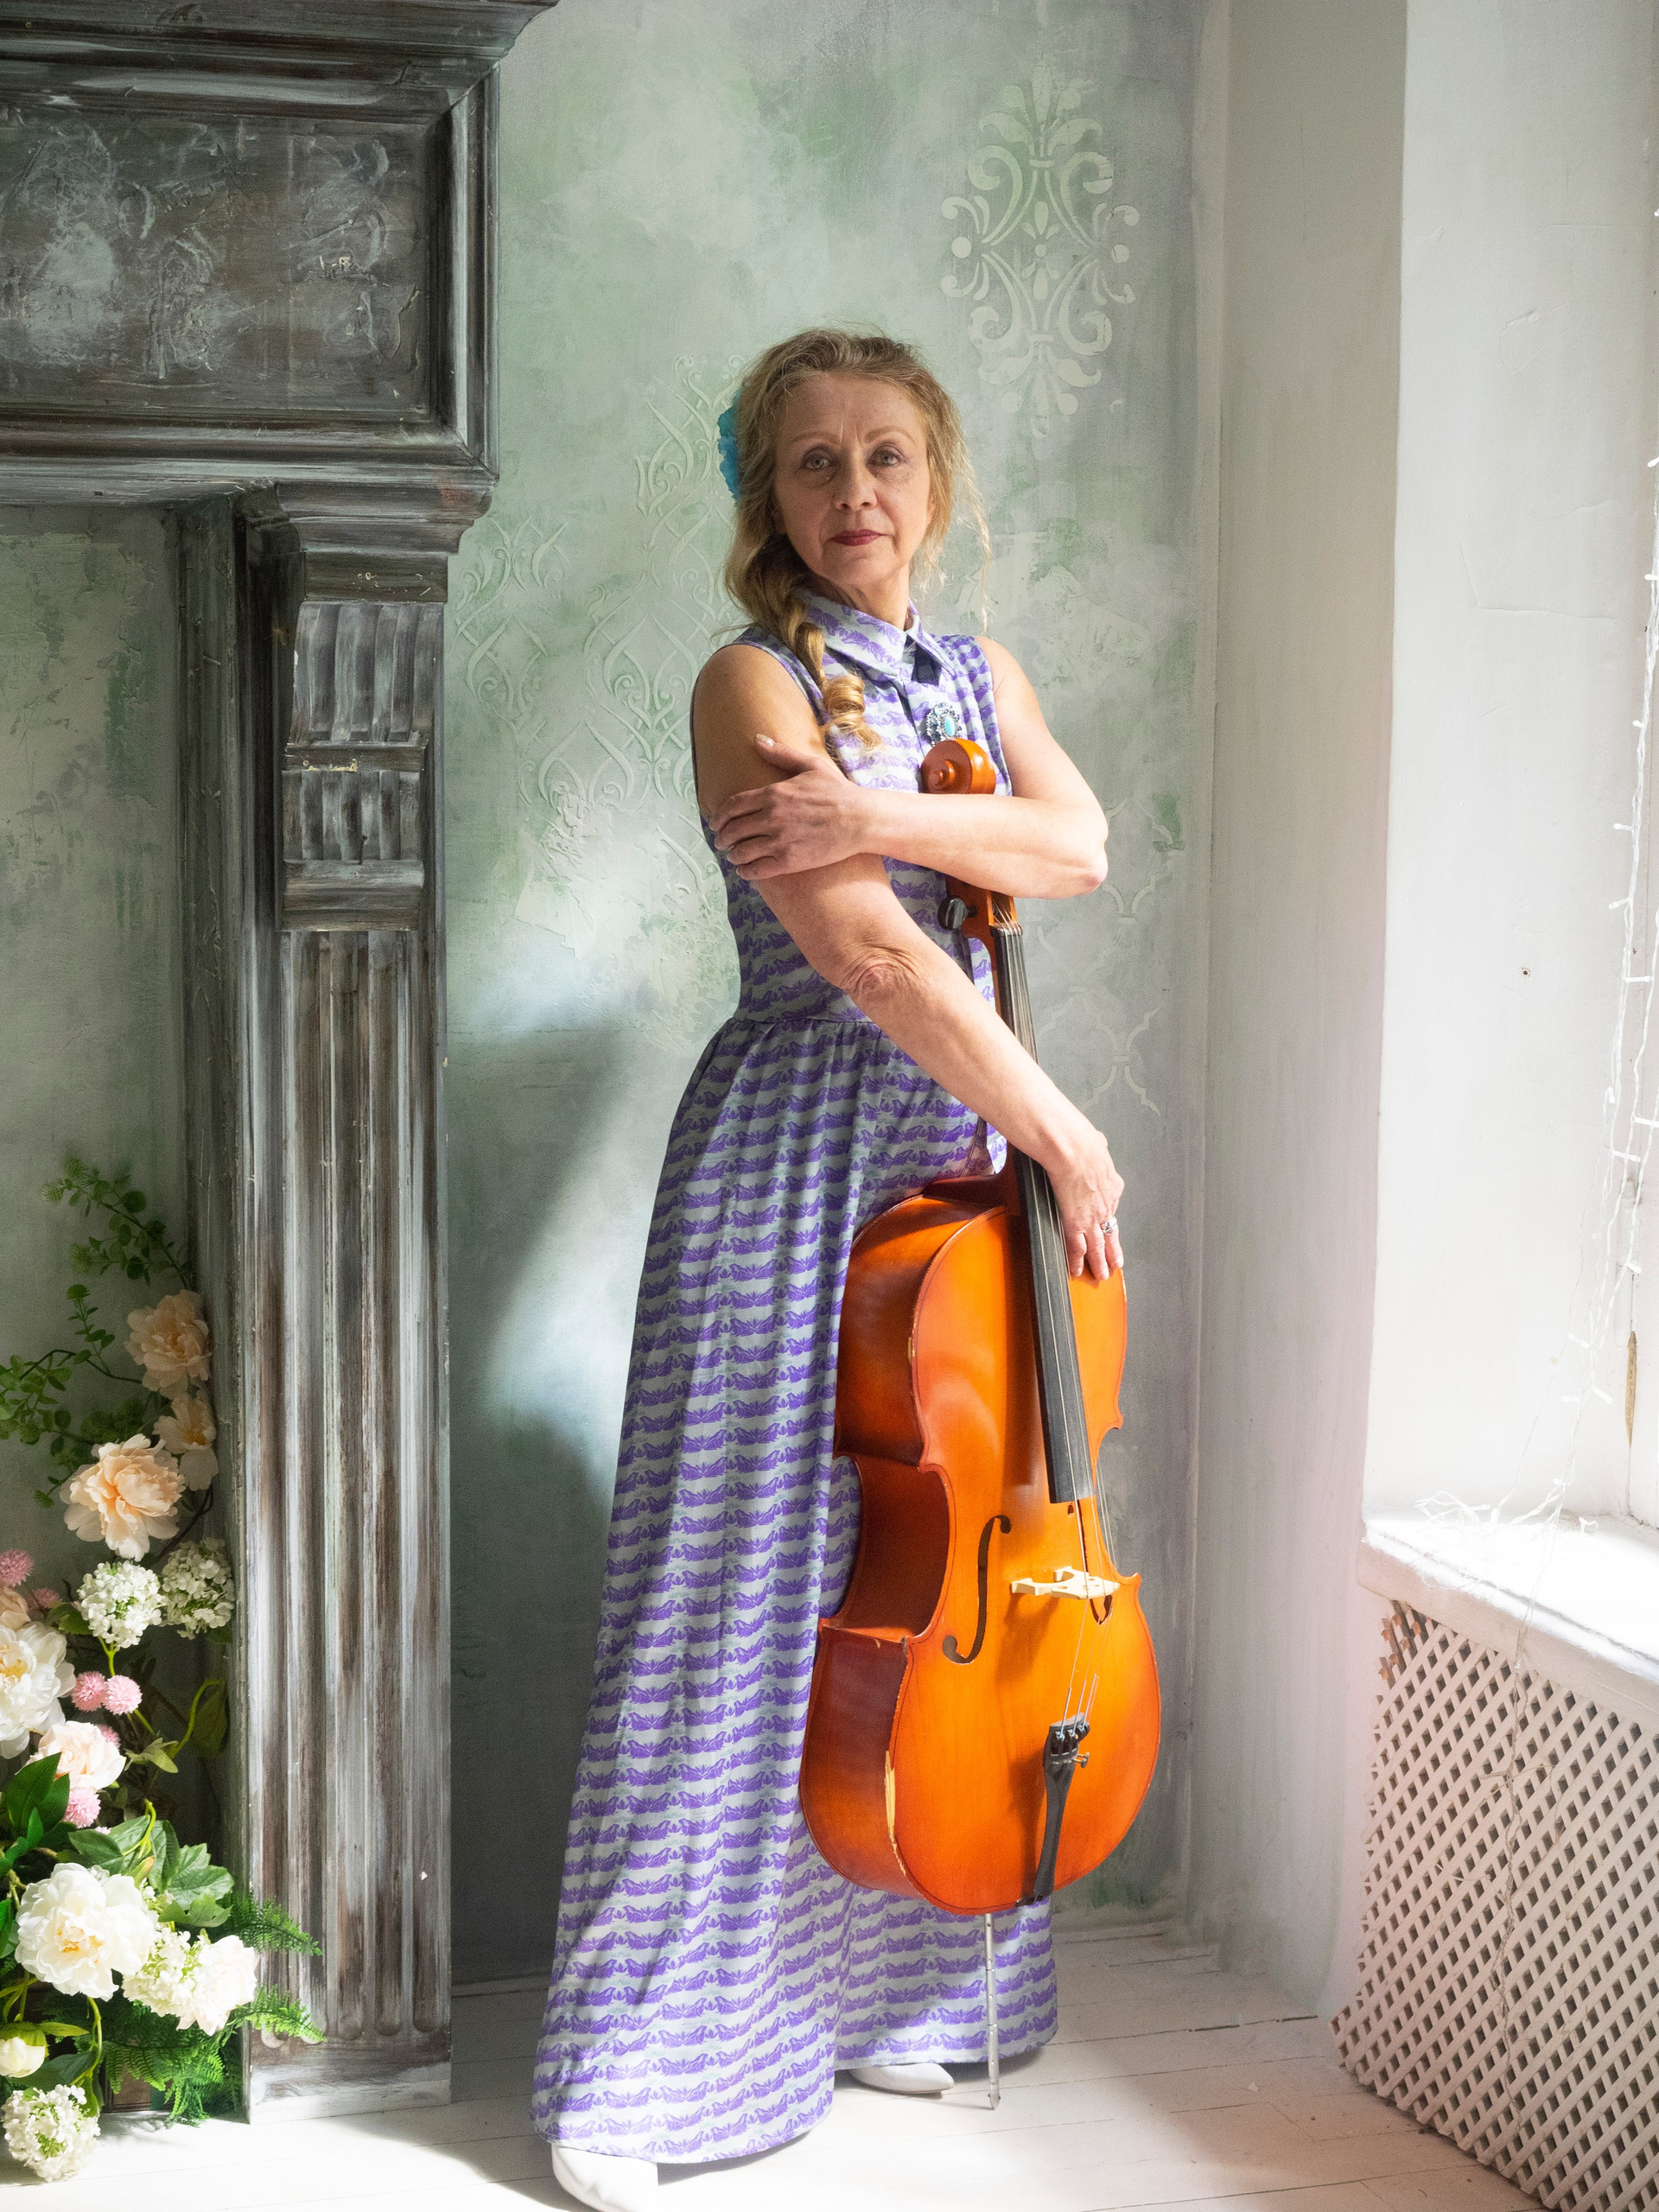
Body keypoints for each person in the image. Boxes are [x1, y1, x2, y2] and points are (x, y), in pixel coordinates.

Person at [534, 327, 1125, 2212]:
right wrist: (1064, 1129)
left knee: (923, 1581)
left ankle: (894, 1988)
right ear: (764, 497)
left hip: (957, 1163)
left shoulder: (982, 674)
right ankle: (643, 2069)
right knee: (737, 1594)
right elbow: (871, 956)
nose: (854, 492)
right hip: (800, 1158)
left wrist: (874, 808)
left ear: (934, 477)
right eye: (811, 462)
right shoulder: (749, 679)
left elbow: (1080, 844)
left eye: (886, 455)